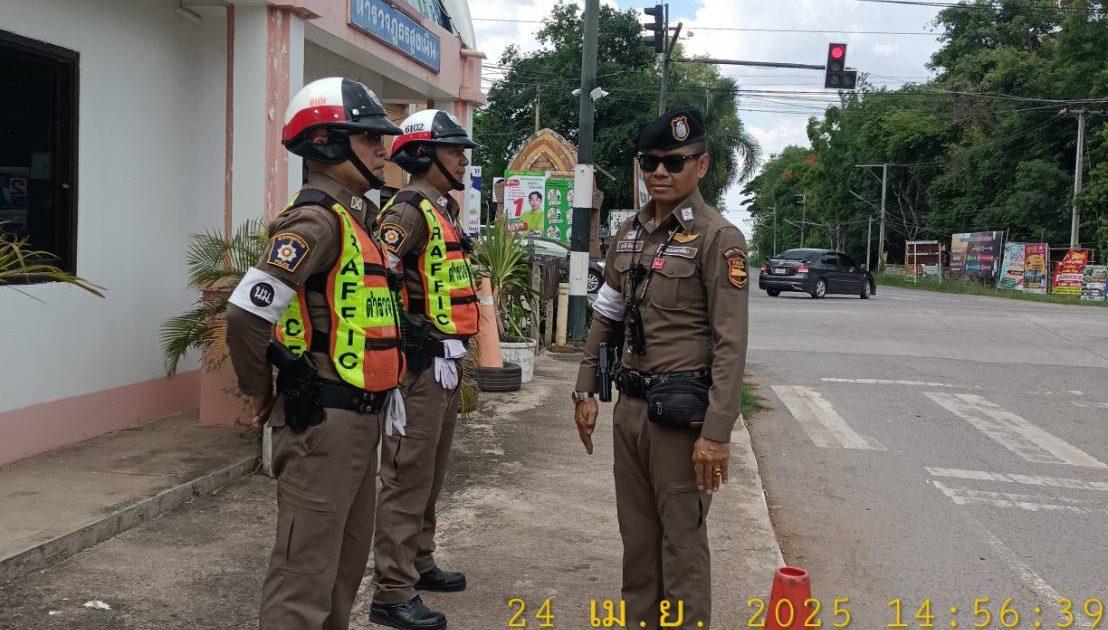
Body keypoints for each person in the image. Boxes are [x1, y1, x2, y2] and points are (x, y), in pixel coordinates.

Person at [224, 77, 405, 630]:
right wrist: (259, 390)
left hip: (359, 419)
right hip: (323, 423)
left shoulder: (356, 220)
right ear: (325, 142)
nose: (382, 149)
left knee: (343, 571)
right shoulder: (316, 221)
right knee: (304, 576)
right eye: (368, 137)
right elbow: (247, 312)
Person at [572, 108, 749, 630]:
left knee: (681, 545)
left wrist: (716, 433)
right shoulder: (629, 232)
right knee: (637, 541)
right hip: (629, 409)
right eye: (650, 162)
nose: (660, 173)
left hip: (680, 418)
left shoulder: (719, 238)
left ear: (701, 165)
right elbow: (607, 314)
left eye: (674, 162)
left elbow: (731, 344)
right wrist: (584, 388)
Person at [370, 109, 480, 630]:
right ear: (423, 155)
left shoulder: (443, 209)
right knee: (407, 477)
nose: (462, 160)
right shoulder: (408, 211)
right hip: (419, 367)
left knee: (430, 474)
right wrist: (405, 336)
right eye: (453, 151)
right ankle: (392, 591)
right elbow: (375, 277)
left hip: (445, 362)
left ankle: (419, 560)